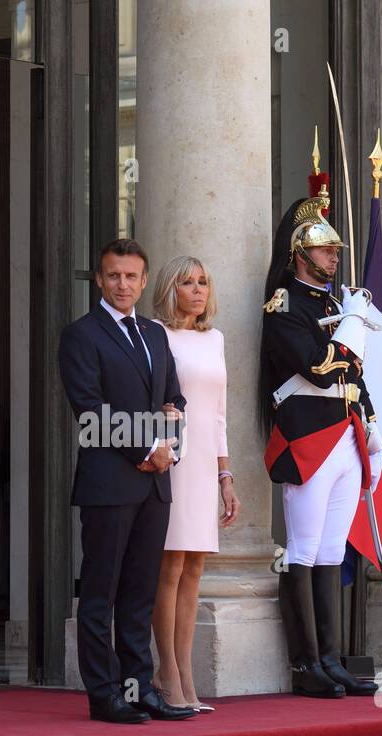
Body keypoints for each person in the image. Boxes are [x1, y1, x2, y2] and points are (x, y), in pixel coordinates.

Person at [259, 141, 380, 699]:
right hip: (308, 436)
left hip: (346, 437)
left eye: (335, 252)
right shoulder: (286, 303)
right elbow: (316, 364)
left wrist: (372, 423)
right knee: (303, 548)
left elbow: (355, 377)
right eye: (325, 252)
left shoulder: (336, 302)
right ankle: (305, 664)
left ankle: (330, 658)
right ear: (300, 254)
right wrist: (351, 327)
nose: (334, 258)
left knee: (333, 550)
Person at [59, 239, 196, 724]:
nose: (123, 284)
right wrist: (145, 446)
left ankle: (138, 689)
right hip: (109, 483)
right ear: (100, 280)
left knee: (139, 594)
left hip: (155, 483)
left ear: (142, 280)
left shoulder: (155, 335)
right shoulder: (82, 335)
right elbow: (89, 408)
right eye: (114, 276)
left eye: (131, 276)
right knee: (101, 593)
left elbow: (174, 398)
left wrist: (168, 443)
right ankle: (105, 695)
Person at [149, 256, 238, 712]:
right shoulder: (154, 334)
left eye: (204, 281)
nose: (199, 289)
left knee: (195, 568)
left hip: (205, 463)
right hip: (172, 457)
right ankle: (165, 671)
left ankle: (185, 672)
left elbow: (219, 414)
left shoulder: (215, 338)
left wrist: (225, 474)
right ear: (170, 288)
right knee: (170, 567)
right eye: (188, 282)